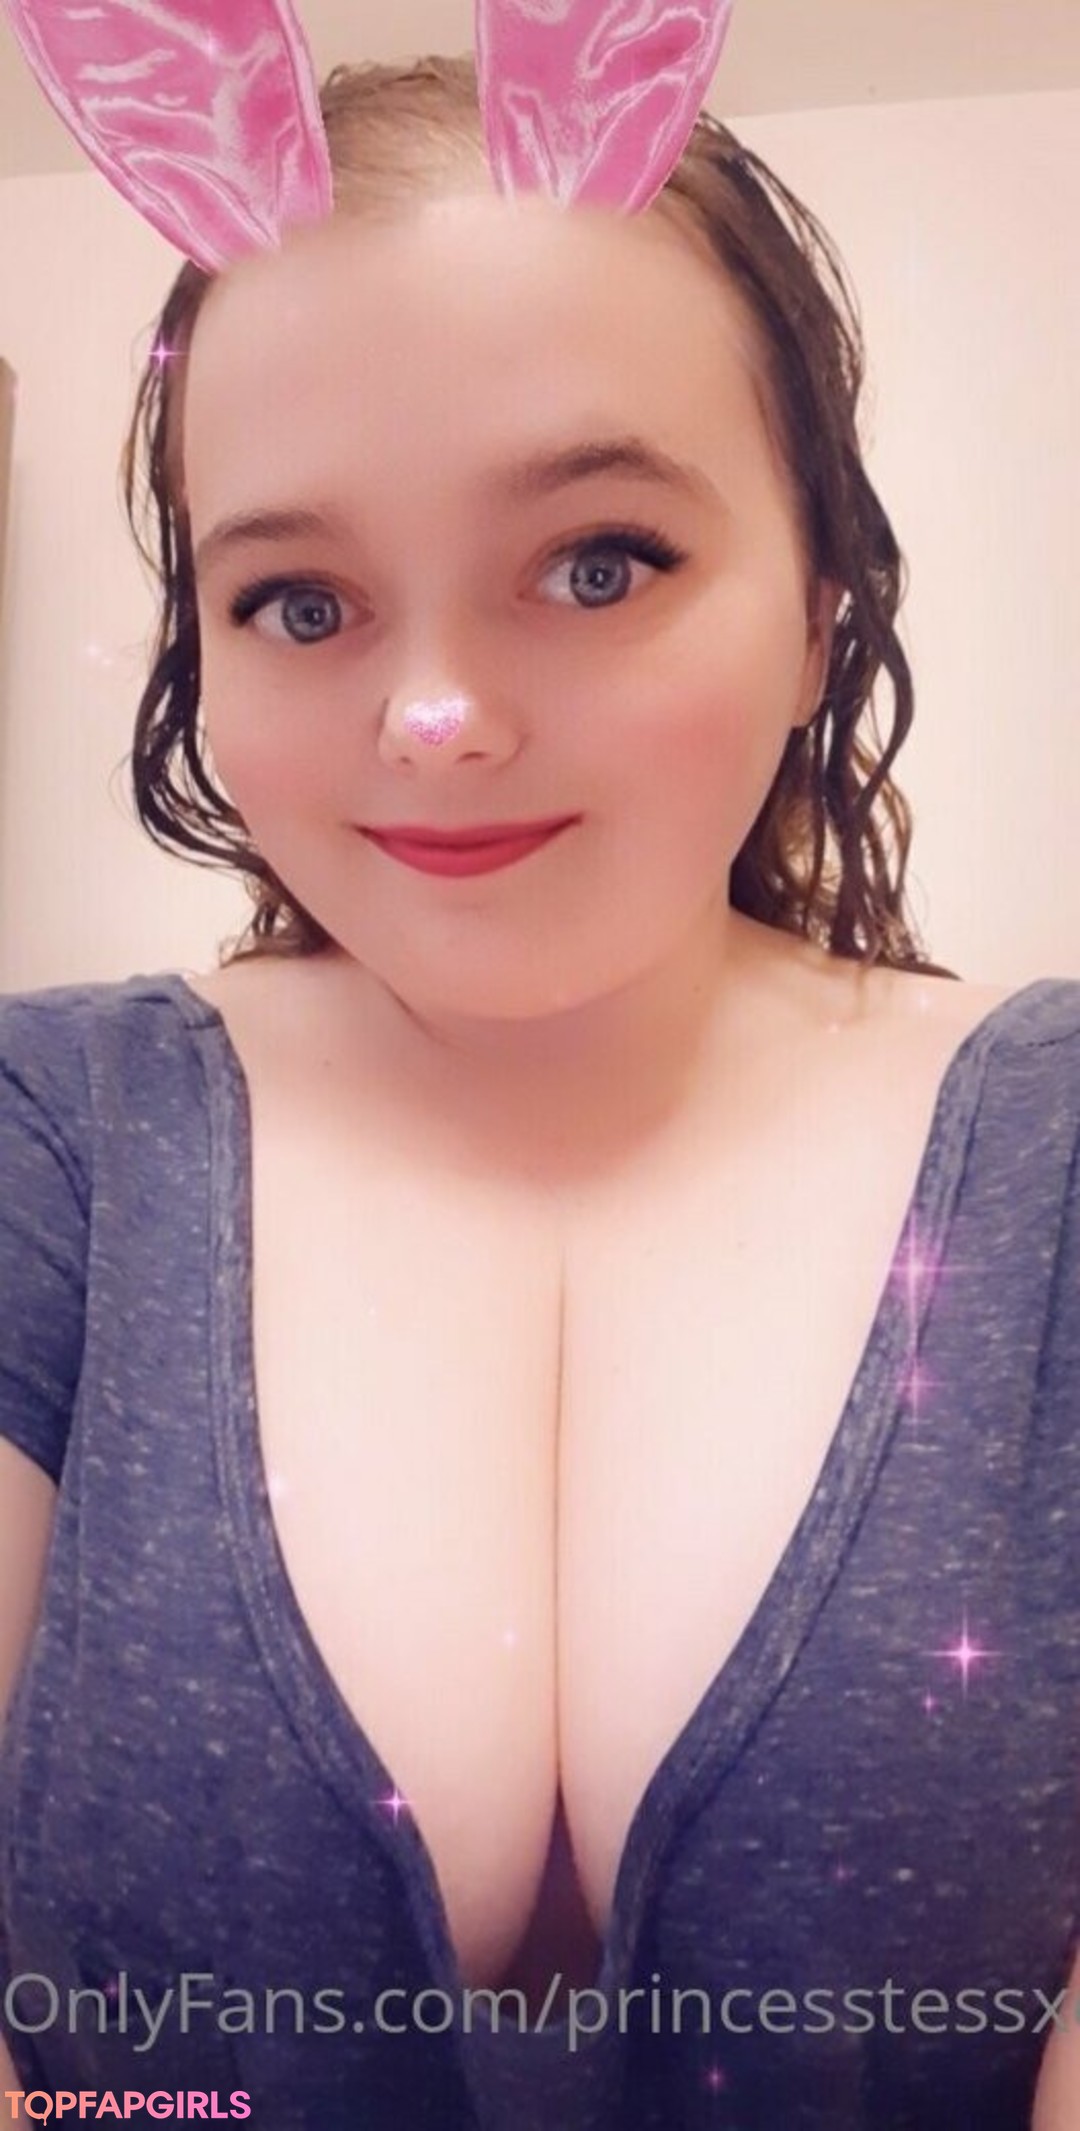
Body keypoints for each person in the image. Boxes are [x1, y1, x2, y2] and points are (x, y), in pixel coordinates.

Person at [1, 46, 1078, 2131]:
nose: (437, 715)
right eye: (299, 601)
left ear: (821, 599)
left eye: (599, 561)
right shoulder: (51, 1144)